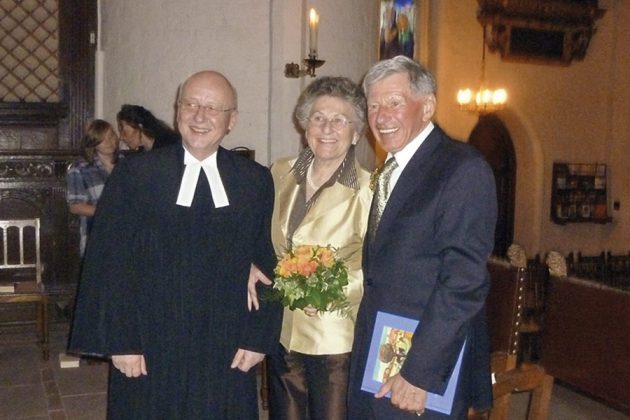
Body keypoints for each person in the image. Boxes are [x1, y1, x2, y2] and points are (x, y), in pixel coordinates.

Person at [69, 70, 282, 419]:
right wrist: (120, 341)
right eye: (192, 104)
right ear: (176, 110)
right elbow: (107, 261)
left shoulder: (254, 181)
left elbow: (266, 262)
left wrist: (259, 337)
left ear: (232, 121)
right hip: (149, 340)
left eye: (214, 108)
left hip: (223, 342)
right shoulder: (135, 175)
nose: (201, 116)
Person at [347, 55, 497, 419]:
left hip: (420, 370)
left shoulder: (461, 168)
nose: (381, 117)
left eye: (395, 103)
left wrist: (419, 374)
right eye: (373, 106)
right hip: (378, 354)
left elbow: (464, 282)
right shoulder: (391, 169)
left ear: (427, 107)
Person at [249, 76, 372, 420]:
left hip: (334, 336)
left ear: (357, 132)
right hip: (283, 329)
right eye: (318, 117)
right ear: (304, 125)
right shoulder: (279, 173)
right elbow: (256, 233)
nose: (327, 128)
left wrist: (325, 290)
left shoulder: (369, 190)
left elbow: (376, 267)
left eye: (339, 120)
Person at [66, 119, 119, 256]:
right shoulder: (81, 169)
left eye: (111, 136)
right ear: (94, 142)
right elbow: (76, 206)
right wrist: (110, 212)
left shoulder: (127, 164)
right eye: (103, 138)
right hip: (98, 232)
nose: (109, 141)